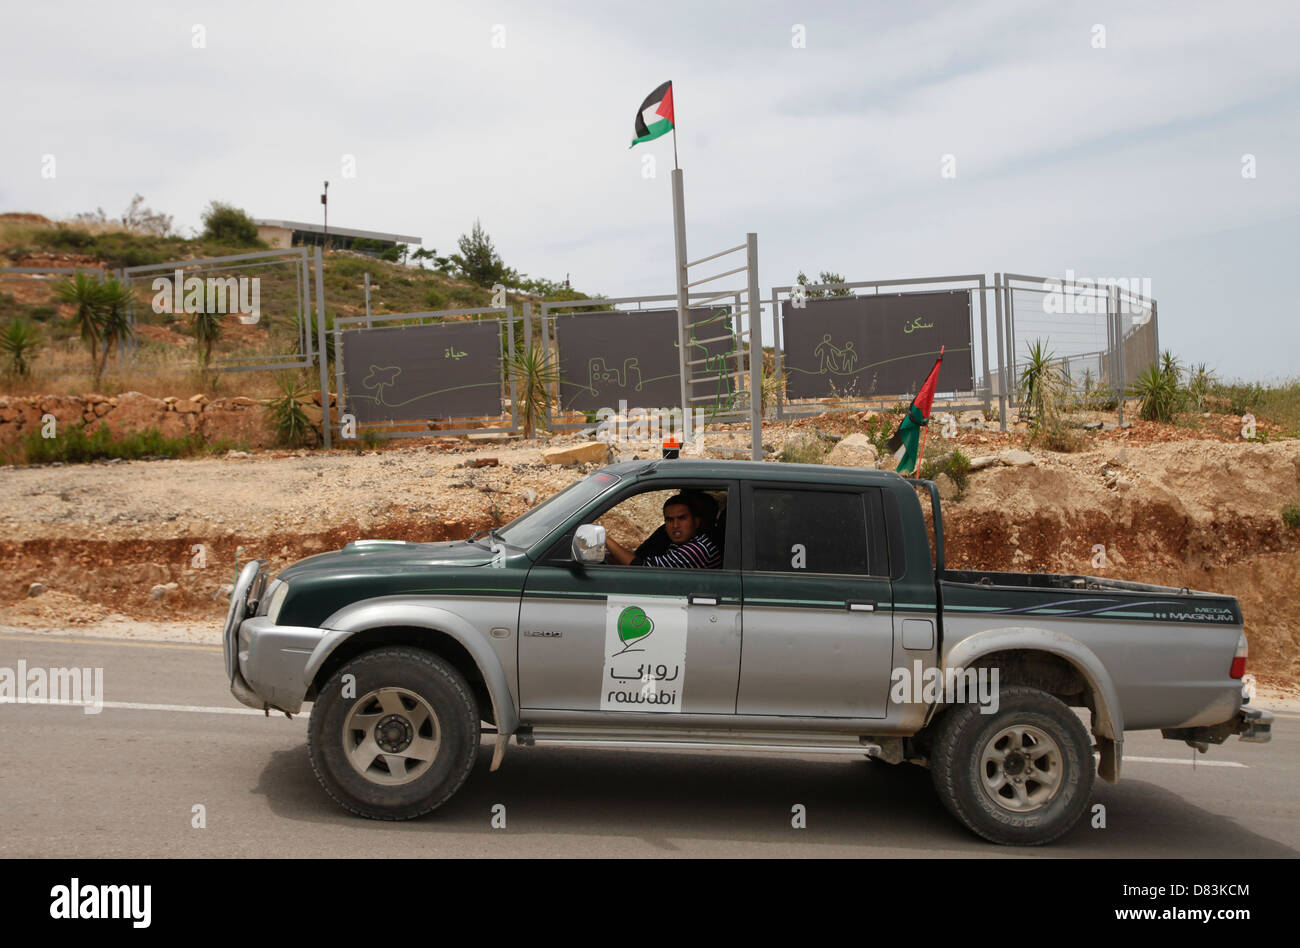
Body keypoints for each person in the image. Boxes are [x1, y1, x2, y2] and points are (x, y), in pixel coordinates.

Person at [604, 493, 722, 569]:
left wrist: (603, 537)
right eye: (670, 520)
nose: (675, 525)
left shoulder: (697, 550)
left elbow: (642, 570)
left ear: (696, 522)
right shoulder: (681, 543)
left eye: (682, 518)